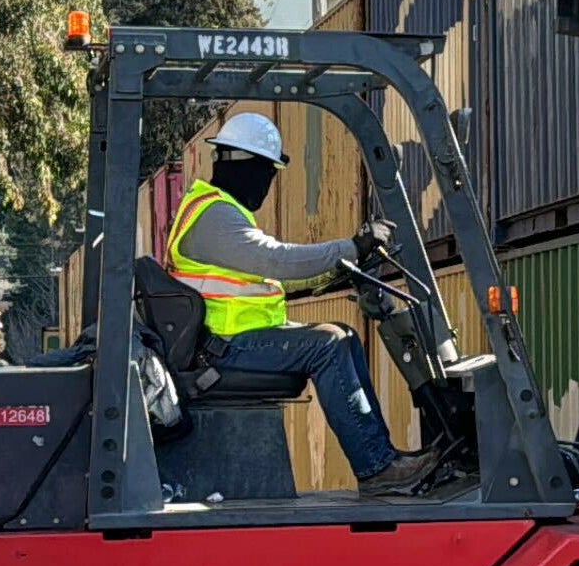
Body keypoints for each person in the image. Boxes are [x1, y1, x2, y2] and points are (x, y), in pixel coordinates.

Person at [166, 113, 441, 498]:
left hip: (228, 340)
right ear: (248, 166)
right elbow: (278, 260)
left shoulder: (218, 209)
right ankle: (378, 467)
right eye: (268, 172)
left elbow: (275, 274)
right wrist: (351, 247)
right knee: (327, 344)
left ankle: (384, 460)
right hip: (223, 349)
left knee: (341, 336)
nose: (267, 183)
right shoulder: (214, 216)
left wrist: (341, 267)